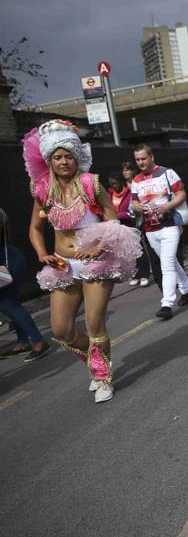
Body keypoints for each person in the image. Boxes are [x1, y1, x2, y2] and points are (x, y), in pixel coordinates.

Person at [24, 120, 142, 402]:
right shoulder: (42, 190)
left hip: (95, 262)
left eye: (68, 156)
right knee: (61, 330)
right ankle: (96, 359)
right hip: (62, 265)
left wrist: (101, 245)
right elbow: (35, 228)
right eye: (58, 157)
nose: (64, 162)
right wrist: (42, 253)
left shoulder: (92, 184)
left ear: (77, 158)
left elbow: (112, 218)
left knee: (93, 322)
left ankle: (101, 377)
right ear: (49, 160)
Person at [130, 144, 188, 320]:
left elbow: (181, 194)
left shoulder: (167, 173)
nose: (141, 162)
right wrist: (139, 207)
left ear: (151, 157)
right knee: (170, 261)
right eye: (137, 159)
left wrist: (167, 206)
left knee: (166, 264)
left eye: (143, 158)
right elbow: (134, 203)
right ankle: (187, 289)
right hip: (150, 229)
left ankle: (166, 304)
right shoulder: (136, 180)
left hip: (170, 224)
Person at [0, 208, 51, 362]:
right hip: (11, 258)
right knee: (11, 303)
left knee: (8, 304)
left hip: (5, 263)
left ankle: (38, 342)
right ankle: (23, 341)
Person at [108, 172, 151, 286]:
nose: (114, 186)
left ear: (121, 182)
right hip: (117, 228)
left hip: (131, 227)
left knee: (138, 252)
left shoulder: (129, 194)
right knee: (127, 254)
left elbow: (132, 213)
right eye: (112, 184)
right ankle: (135, 274)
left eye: (116, 183)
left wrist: (118, 215)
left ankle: (144, 274)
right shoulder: (109, 194)